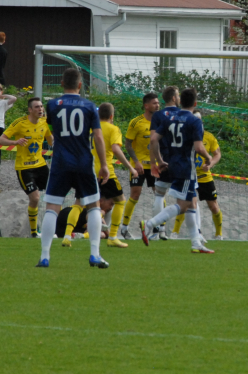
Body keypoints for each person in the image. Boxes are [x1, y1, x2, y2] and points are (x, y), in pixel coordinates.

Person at [37, 67, 110, 269]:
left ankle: (45, 256)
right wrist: (104, 165)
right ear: (80, 85)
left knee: (52, 208)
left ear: (62, 83)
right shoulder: (90, 106)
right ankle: (94, 254)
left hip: (60, 162)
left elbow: (51, 128)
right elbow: (98, 137)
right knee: (93, 206)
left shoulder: (53, 105)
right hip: (84, 162)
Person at [140, 88, 216, 254]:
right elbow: (199, 147)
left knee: (191, 203)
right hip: (186, 167)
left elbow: (153, 139)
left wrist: (159, 160)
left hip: (173, 164)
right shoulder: (195, 120)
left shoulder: (170, 118)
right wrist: (208, 157)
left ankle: (196, 243)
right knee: (182, 205)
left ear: (180, 101)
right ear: (195, 103)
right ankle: (150, 224)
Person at [0, 97, 54, 238]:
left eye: (41, 106)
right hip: (24, 168)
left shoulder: (44, 122)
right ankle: (34, 233)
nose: (40, 109)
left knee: (52, 197)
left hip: (41, 165)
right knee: (35, 198)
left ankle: (50, 230)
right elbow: (0, 140)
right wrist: (15, 142)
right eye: (37, 107)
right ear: (30, 110)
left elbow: (50, 141)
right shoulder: (20, 123)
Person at [171, 111, 223, 240]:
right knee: (185, 204)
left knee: (213, 206)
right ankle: (175, 232)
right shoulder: (184, 136)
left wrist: (210, 165)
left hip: (204, 177)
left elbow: (217, 154)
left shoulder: (209, 137)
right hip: (188, 176)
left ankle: (219, 234)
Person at [94, 102, 138, 248]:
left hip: (90, 170)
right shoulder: (113, 129)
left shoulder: (92, 128)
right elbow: (116, 149)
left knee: (90, 203)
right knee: (120, 201)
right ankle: (112, 236)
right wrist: (130, 167)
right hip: (106, 171)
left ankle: (69, 235)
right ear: (112, 116)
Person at [120, 92, 160, 239]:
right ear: (146, 105)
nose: (157, 105)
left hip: (155, 166)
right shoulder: (136, 122)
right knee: (135, 194)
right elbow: (128, 144)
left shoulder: (161, 122)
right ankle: (124, 228)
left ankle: (158, 229)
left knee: (159, 194)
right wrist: (136, 162)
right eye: (154, 103)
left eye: (158, 103)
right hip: (139, 166)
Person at [148, 86, 181, 241]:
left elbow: (153, 140)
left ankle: (156, 231)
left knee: (159, 194)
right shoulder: (183, 114)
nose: (179, 98)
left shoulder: (158, 115)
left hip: (164, 160)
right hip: (181, 161)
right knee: (189, 197)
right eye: (178, 95)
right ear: (174, 98)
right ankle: (198, 233)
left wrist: (155, 162)